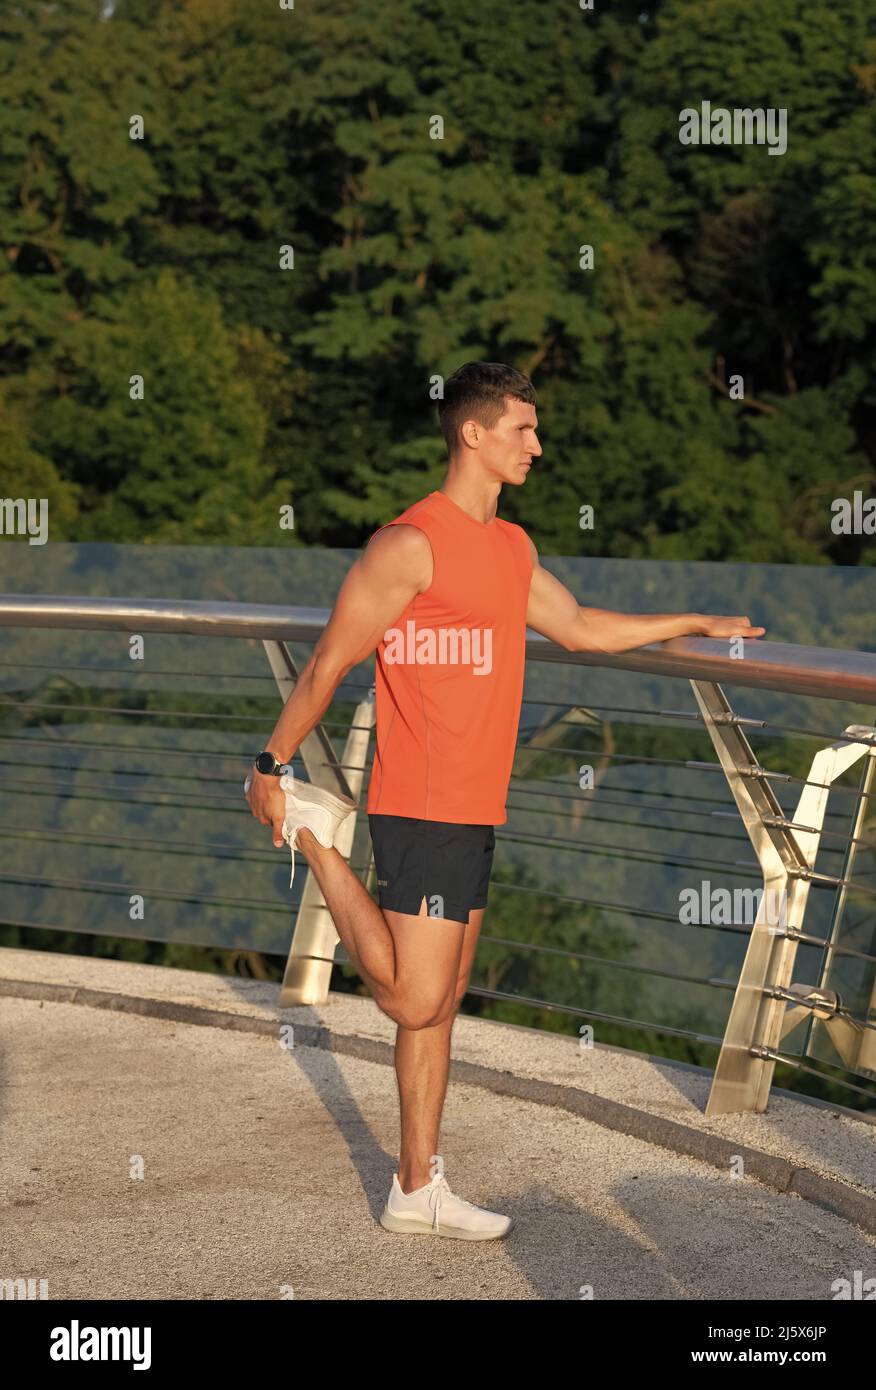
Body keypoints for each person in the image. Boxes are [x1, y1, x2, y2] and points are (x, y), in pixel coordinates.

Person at [245, 361, 765, 1240]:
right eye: (522, 429)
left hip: (477, 802)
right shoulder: (409, 545)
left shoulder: (511, 547)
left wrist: (688, 622)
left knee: (441, 1007)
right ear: (473, 434)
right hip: (419, 799)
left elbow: (582, 628)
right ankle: (314, 839)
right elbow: (332, 660)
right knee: (414, 1000)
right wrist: (272, 763)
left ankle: (416, 1188)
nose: (536, 442)